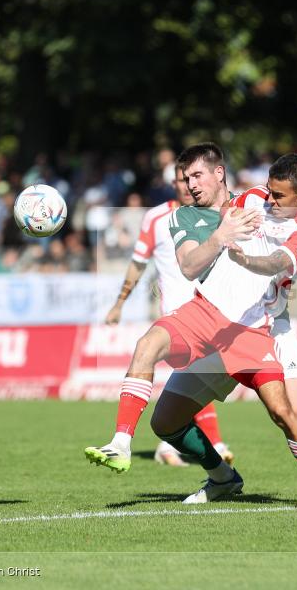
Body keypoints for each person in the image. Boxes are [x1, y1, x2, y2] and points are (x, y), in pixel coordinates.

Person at [86, 147, 297, 506]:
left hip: (266, 325)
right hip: (209, 318)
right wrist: (209, 204)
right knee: (164, 419)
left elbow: (276, 260)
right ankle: (208, 473)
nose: (268, 200)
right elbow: (220, 208)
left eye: (278, 196)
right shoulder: (254, 197)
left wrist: (247, 256)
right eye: (268, 191)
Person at [104, 165, 233, 467]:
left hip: (214, 311)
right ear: (173, 182)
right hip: (178, 317)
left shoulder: (220, 212)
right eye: (182, 179)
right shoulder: (157, 217)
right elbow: (138, 263)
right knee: (189, 374)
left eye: (193, 178)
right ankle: (207, 444)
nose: (188, 185)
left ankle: (175, 444)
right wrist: (119, 303)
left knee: (194, 382)